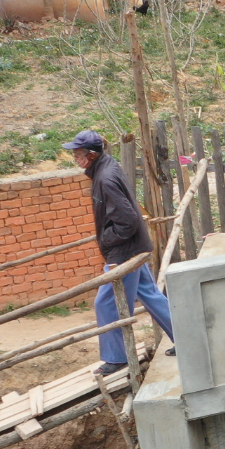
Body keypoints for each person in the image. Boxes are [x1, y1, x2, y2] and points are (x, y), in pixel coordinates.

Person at [59, 130, 176, 377]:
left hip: (125, 252)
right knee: (150, 294)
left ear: (91, 155)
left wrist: (106, 240)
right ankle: (187, 338)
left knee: (105, 302)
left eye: (78, 155)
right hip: (134, 246)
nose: (75, 159)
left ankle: (118, 358)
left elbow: (128, 220)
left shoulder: (105, 179)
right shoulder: (106, 166)